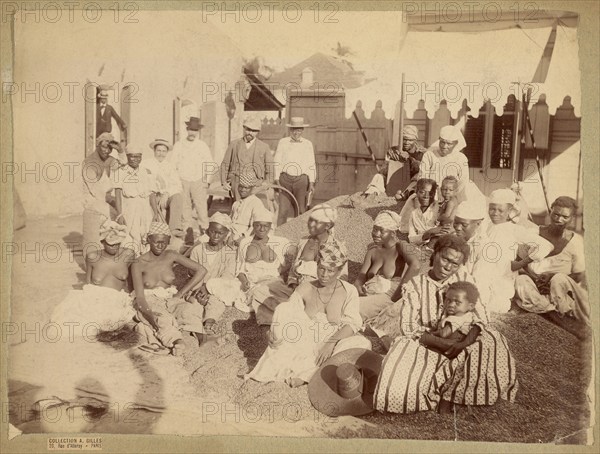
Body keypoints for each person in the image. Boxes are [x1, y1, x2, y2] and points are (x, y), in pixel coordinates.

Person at [371, 235, 518, 414]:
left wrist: (463, 343)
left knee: (492, 340)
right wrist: (444, 343)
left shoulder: (464, 278)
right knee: (402, 354)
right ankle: (431, 391)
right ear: (435, 253)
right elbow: (409, 327)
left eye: (454, 264)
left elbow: (480, 315)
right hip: (428, 340)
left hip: (462, 336)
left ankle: (458, 394)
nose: (448, 267)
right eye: (445, 259)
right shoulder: (416, 285)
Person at [245, 241, 372, 388]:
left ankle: (310, 372)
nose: (324, 275)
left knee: (362, 343)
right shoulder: (305, 287)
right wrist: (271, 333)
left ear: (339, 271)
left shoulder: (348, 291)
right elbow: (288, 316)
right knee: (283, 308)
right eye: (321, 269)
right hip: (304, 340)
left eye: (330, 271)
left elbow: (352, 324)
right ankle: (308, 370)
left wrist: (330, 344)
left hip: (333, 340)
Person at [131, 222, 208, 355]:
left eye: (164, 242)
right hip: (149, 300)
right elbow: (140, 297)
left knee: (189, 310)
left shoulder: (171, 255)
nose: (160, 246)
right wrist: (149, 314)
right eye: (156, 242)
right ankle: (177, 342)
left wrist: (180, 293)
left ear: (169, 241)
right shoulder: (138, 263)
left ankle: (202, 336)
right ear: (149, 240)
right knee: (162, 319)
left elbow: (201, 270)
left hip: (170, 297)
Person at [473, 188, 553, 313]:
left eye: (501, 210)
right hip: (482, 273)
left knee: (494, 307)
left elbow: (546, 246)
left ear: (510, 211)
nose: (495, 213)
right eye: (492, 209)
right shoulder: (486, 226)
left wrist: (522, 263)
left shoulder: (514, 230)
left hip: (502, 278)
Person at [51, 221, 136, 333]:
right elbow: (88, 283)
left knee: (112, 322)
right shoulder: (92, 256)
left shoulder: (128, 254)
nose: (114, 247)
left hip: (116, 298)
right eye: (110, 244)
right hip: (94, 297)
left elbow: (132, 279)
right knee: (70, 324)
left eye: (117, 243)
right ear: (102, 242)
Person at [514, 196, 589, 324]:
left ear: (572, 218)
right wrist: (533, 277)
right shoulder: (533, 233)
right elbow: (519, 261)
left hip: (560, 290)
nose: (558, 219)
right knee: (520, 280)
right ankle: (551, 311)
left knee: (558, 279)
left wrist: (551, 277)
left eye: (565, 217)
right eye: (556, 214)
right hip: (535, 287)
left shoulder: (576, 241)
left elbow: (579, 274)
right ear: (551, 211)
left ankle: (553, 310)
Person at [355, 210, 420, 320]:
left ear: (393, 233)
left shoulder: (401, 246)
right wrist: (358, 287)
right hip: (370, 295)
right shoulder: (372, 251)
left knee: (352, 308)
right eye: (374, 229)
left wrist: (397, 294)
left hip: (390, 295)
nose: (376, 234)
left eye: (381, 231)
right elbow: (360, 278)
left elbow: (416, 266)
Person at [236, 207, 295, 325]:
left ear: (270, 226)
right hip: (253, 283)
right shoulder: (245, 242)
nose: (262, 229)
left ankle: (287, 315)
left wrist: (283, 269)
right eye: (258, 225)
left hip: (273, 281)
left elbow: (296, 253)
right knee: (259, 293)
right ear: (253, 225)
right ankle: (279, 319)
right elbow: (240, 269)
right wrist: (244, 282)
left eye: (265, 226)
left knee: (273, 293)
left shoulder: (280, 242)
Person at [187, 212, 241, 334]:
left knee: (217, 303)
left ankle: (209, 323)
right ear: (207, 231)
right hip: (197, 288)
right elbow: (192, 273)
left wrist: (209, 289)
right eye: (213, 231)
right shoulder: (198, 250)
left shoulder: (230, 253)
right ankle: (194, 326)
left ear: (226, 234)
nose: (215, 235)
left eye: (220, 233)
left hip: (217, 290)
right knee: (193, 302)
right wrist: (200, 290)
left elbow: (227, 277)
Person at [81, 132, 126, 256]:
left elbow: (126, 168)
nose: (106, 151)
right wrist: (113, 202)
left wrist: (121, 151)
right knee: (93, 245)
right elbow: (96, 190)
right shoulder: (89, 162)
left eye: (109, 148)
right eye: (104, 147)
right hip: (93, 203)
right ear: (97, 145)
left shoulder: (110, 160)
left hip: (105, 201)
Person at [171, 117, 213, 240]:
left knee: (201, 207)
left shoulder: (202, 145)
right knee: (185, 207)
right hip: (183, 179)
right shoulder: (179, 145)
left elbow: (209, 163)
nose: (192, 133)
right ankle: (187, 231)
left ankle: (204, 230)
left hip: (198, 179)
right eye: (190, 130)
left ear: (198, 132)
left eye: (194, 130)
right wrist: (176, 181)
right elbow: (173, 164)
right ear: (187, 129)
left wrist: (206, 180)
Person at [114, 148, 159, 256]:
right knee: (129, 235)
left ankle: (143, 263)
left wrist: (156, 212)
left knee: (146, 234)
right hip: (129, 208)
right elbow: (118, 195)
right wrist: (120, 214)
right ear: (127, 156)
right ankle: (130, 263)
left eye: (138, 156)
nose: (135, 159)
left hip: (145, 209)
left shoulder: (147, 172)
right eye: (132, 156)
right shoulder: (120, 172)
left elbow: (151, 194)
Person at [418, 281, 483, 355]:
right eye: (448, 300)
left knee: (425, 339)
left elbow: (444, 334)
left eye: (457, 302)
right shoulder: (469, 316)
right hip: (452, 344)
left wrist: (432, 333)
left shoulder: (458, 317)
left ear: (470, 306)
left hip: (453, 342)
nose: (451, 304)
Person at [273, 117, 316, 225]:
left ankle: (298, 237)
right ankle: (280, 236)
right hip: (285, 180)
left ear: (302, 130)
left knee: (301, 211)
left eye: (298, 130)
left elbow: (311, 164)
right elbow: (277, 161)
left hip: (301, 181)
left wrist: (311, 182)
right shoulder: (283, 142)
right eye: (293, 130)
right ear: (290, 130)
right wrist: (276, 179)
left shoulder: (307, 144)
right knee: (283, 211)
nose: (296, 132)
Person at [221, 116, 274, 201]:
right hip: (236, 182)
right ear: (244, 128)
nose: (250, 133)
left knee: (253, 208)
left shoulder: (264, 147)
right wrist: (224, 182)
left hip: (256, 184)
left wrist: (267, 183)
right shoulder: (234, 144)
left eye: (254, 131)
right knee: (238, 208)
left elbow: (270, 168)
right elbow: (225, 164)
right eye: (248, 129)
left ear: (258, 132)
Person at [143, 138, 184, 238]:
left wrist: (167, 193)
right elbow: (144, 182)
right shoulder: (146, 163)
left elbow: (177, 185)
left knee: (177, 196)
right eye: (159, 150)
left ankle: (174, 228)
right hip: (150, 195)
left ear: (167, 153)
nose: (161, 154)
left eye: (164, 151)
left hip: (164, 196)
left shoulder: (170, 166)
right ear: (154, 151)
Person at [229, 172, 267, 246]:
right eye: (241, 186)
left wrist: (243, 238)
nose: (242, 190)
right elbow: (229, 220)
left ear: (252, 188)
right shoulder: (236, 203)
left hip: (244, 235)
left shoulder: (256, 202)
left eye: (246, 187)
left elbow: (256, 226)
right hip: (230, 232)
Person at [389, 125, 426, 200]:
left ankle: (406, 193)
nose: (406, 142)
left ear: (415, 140)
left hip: (413, 183)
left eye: (410, 140)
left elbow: (422, 169)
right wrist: (391, 154)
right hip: (397, 183)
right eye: (404, 139)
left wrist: (409, 158)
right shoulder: (395, 150)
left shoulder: (422, 152)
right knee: (379, 176)